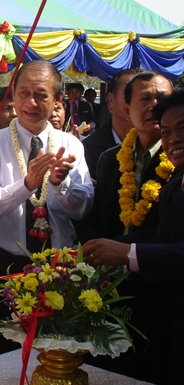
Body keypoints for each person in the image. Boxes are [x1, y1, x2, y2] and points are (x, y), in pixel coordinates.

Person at [0, 60, 94, 358]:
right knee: (0, 358)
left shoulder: (71, 145)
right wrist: (27, 184)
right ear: (13, 95)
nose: (31, 103)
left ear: (58, 99)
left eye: (41, 95)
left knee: (57, 355)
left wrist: (60, 183)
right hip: (6, 269)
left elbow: (82, 210)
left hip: (59, 269)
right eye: (24, 93)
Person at [83, 88, 183, 384]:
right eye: (167, 132)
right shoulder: (175, 185)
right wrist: (102, 251)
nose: (174, 139)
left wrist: (128, 254)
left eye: (182, 128)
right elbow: (162, 239)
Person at [79, 71, 173, 245]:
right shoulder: (110, 159)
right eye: (145, 99)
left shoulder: (178, 160)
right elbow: (97, 219)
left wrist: (125, 250)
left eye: (162, 99)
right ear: (128, 110)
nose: (154, 107)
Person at [81, 69, 141, 182]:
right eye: (130, 94)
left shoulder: (162, 146)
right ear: (111, 101)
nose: (139, 101)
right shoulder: (88, 149)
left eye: (145, 97)